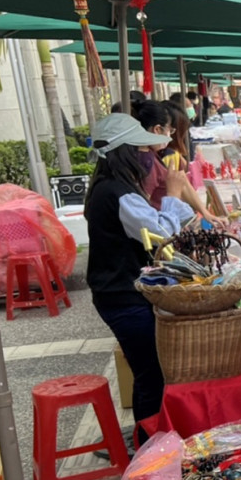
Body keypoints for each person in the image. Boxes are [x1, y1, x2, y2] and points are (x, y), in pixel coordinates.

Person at [83, 113, 194, 439]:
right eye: (142, 151)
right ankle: (150, 447)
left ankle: (148, 440)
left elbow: (162, 227)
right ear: (126, 153)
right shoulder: (117, 193)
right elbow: (160, 234)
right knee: (152, 374)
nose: (149, 157)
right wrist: (173, 194)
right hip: (122, 296)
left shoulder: (111, 188)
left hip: (119, 294)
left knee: (149, 371)